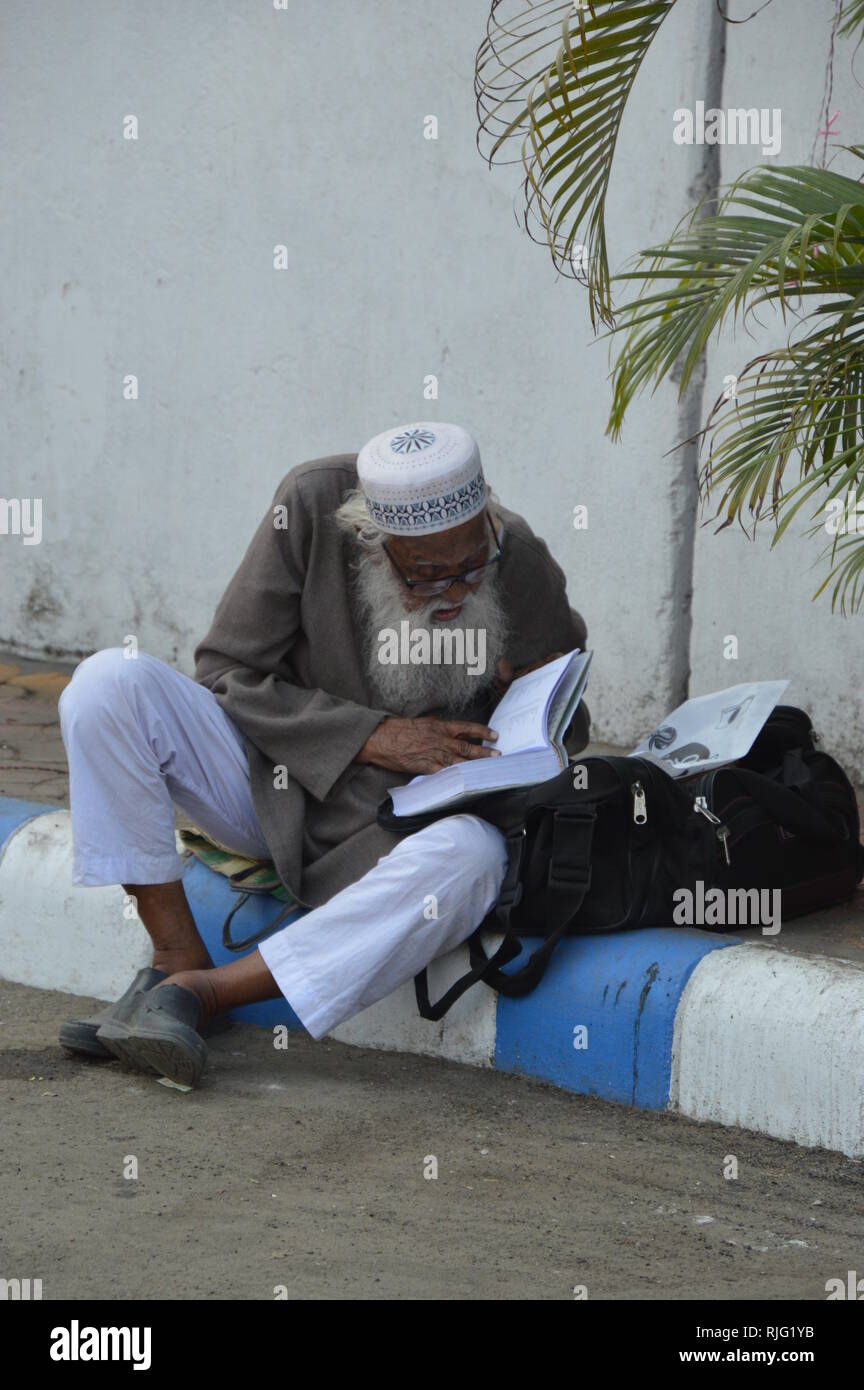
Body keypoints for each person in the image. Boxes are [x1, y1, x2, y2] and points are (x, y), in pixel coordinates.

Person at [58, 422, 589, 1086]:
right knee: (110, 685)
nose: (453, 591)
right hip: (272, 786)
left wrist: (527, 700)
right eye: (425, 574)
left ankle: (203, 995)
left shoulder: (522, 565)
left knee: (474, 859)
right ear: (372, 541)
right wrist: (373, 735)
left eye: (469, 567)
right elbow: (225, 674)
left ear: (485, 521)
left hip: (394, 831)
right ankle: (172, 955)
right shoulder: (309, 505)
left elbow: (568, 727)